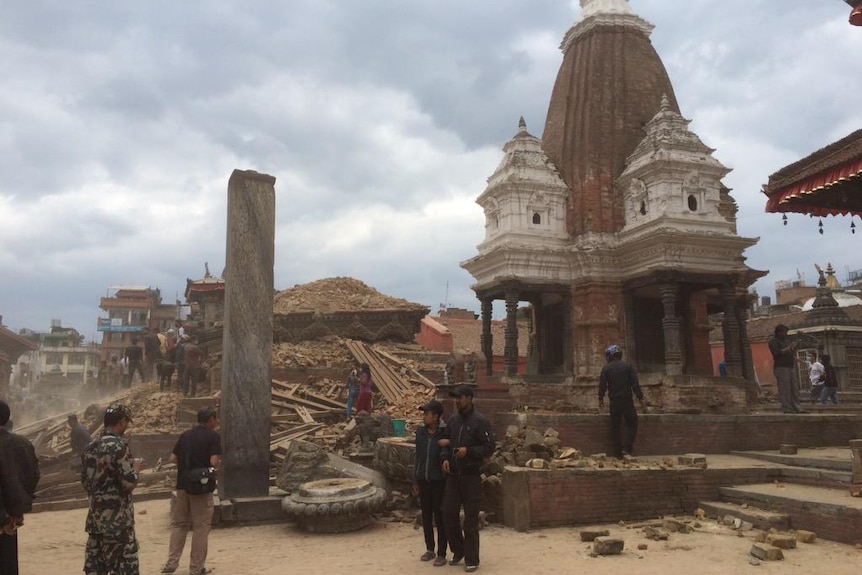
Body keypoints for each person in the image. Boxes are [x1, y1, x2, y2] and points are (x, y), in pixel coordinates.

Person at [81, 403, 144, 575]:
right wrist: (136, 468)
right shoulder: (119, 447)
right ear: (122, 422)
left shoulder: (89, 448)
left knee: (96, 570)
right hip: (118, 524)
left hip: (95, 522)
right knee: (125, 569)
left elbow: (86, 483)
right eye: (126, 422)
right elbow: (129, 484)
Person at [161, 406, 222, 575]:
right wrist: (214, 465)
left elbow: (172, 458)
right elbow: (214, 461)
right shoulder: (213, 437)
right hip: (201, 488)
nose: (216, 422)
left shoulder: (185, 435)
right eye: (215, 419)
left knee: (180, 524)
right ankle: (196, 568)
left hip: (182, 485)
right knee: (201, 527)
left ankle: (171, 563)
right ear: (210, 420)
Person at [440, 385, 494, 573]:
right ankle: (459, 551)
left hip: (471, 477)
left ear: (470, 398)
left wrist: (468, 451)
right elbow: (445, 442)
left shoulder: (480, 422)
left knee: (471, 520)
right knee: (447, 513)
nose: (457, 401)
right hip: (454, 477)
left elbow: (489, 448)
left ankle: (472, 559)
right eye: (456, 398)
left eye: (461, 397)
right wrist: (445, 458)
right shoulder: (453, 421)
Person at [0, 400, 40, 575]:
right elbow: (33, 476)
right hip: (11, 519)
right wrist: (18, 508)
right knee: (8, 565)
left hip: (5, 517)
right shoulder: (22, 444)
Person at [412, 400, 448, 567]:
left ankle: (442, 553)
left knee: (440, 517)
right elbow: (417, 456)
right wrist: (415, 479)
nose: (424, 417)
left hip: (439, 481)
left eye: (427, 414)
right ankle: (430, 549)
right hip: (423, 479)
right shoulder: (420, 433)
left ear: (436, 417)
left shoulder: (444, 433)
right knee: (426, 517)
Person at [598, 344, 645, 459]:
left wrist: (600, 398)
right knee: (632, 423)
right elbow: (635, 384)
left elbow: (602, 385)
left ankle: (617, 453)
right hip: (627, 401)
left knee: (615, 426)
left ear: (609, 356)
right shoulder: (628, 367)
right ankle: (627, 448)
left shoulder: (606, 368)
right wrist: (640, 398)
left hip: (614, 402)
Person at [769, 325, 805, 414]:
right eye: (784, 332)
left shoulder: (784, 341)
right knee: (785, 389)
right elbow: (777, 353)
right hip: (781, 367)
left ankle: (797, 407)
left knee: (794, 388)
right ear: (779, 332)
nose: (786, 334)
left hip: (790, 366)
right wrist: (789, 347)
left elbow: (790, 352)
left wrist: (796, 344)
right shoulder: (773, 341)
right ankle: (787, 408)